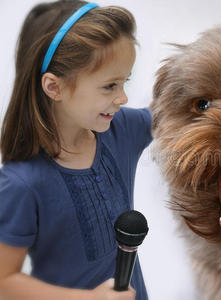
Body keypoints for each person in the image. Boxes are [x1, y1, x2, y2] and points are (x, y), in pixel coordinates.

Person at [0, 1, 151, 299]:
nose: (122, 97)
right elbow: (4, 281)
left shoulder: (121, 130)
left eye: (125, 82)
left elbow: (175, 111)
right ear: (54, 88)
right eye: (109, 86)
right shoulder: (22, 184)